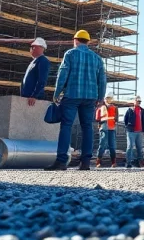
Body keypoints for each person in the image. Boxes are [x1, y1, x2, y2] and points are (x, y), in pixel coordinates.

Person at [45, 30, 106, 171]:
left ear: (76, 40)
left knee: (66, 125)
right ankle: (85, 162)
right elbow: (102, 80)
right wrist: (101, 98)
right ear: (88, 42)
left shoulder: (70, 54)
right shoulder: (97, 58)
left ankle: (61, 161)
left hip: (72, 95)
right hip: (90, 97)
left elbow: (63, 74)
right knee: (87, 127)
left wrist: (57, 92)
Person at [20, 37, 50, 106]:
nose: (31, 49)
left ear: (40, 48)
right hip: (27, 97)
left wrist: (34, 95)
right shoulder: (34, 61)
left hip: (33, 99)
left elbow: (42, 80)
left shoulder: (43, 61)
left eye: (33, 47)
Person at [124, 96, 144, 168]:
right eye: (138, 101)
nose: (139, 103)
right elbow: (125, 120)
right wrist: (128, 127)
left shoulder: (142, 111)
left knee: (139, 148)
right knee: (130, 146)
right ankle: (128, 162)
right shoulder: (130, 110)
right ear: (134, 101)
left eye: (140, 101)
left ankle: (139, 162)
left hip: (140, 132)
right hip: (131, 131)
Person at [95, 95, 119, 167]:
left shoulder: (115, 108)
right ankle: (98, 161)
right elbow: (97, 118)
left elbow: (116, 118)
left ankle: (113, 162)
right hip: (104, 128)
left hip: (111, 128)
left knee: (112, 146)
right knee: (103, 145)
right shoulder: (101, 108)